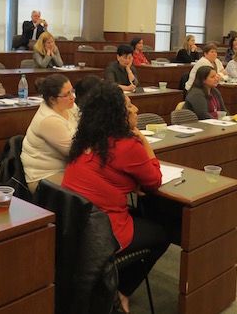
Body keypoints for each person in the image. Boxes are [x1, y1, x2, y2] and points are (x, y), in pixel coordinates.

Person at [62, 81, 169, 314]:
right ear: (115, 114)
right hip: (101, 232)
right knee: (163, 233)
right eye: (129, 106)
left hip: (75, 225)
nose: (136, 110)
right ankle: (121, 291)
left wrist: (130, 183)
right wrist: (143, 139)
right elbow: (154, 181)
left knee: (142, 215)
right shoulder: (128, 145)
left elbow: (108, 175)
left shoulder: (87, 138)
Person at [21, 75, 79, 193]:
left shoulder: (69, 106)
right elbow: (74, 151)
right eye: (66, 94)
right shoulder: (48, 119)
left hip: (66, 168)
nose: (72, 97)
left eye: (72, 91)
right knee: (90, 188)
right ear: (52, 99)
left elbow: (86, 126)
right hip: (44, 177)